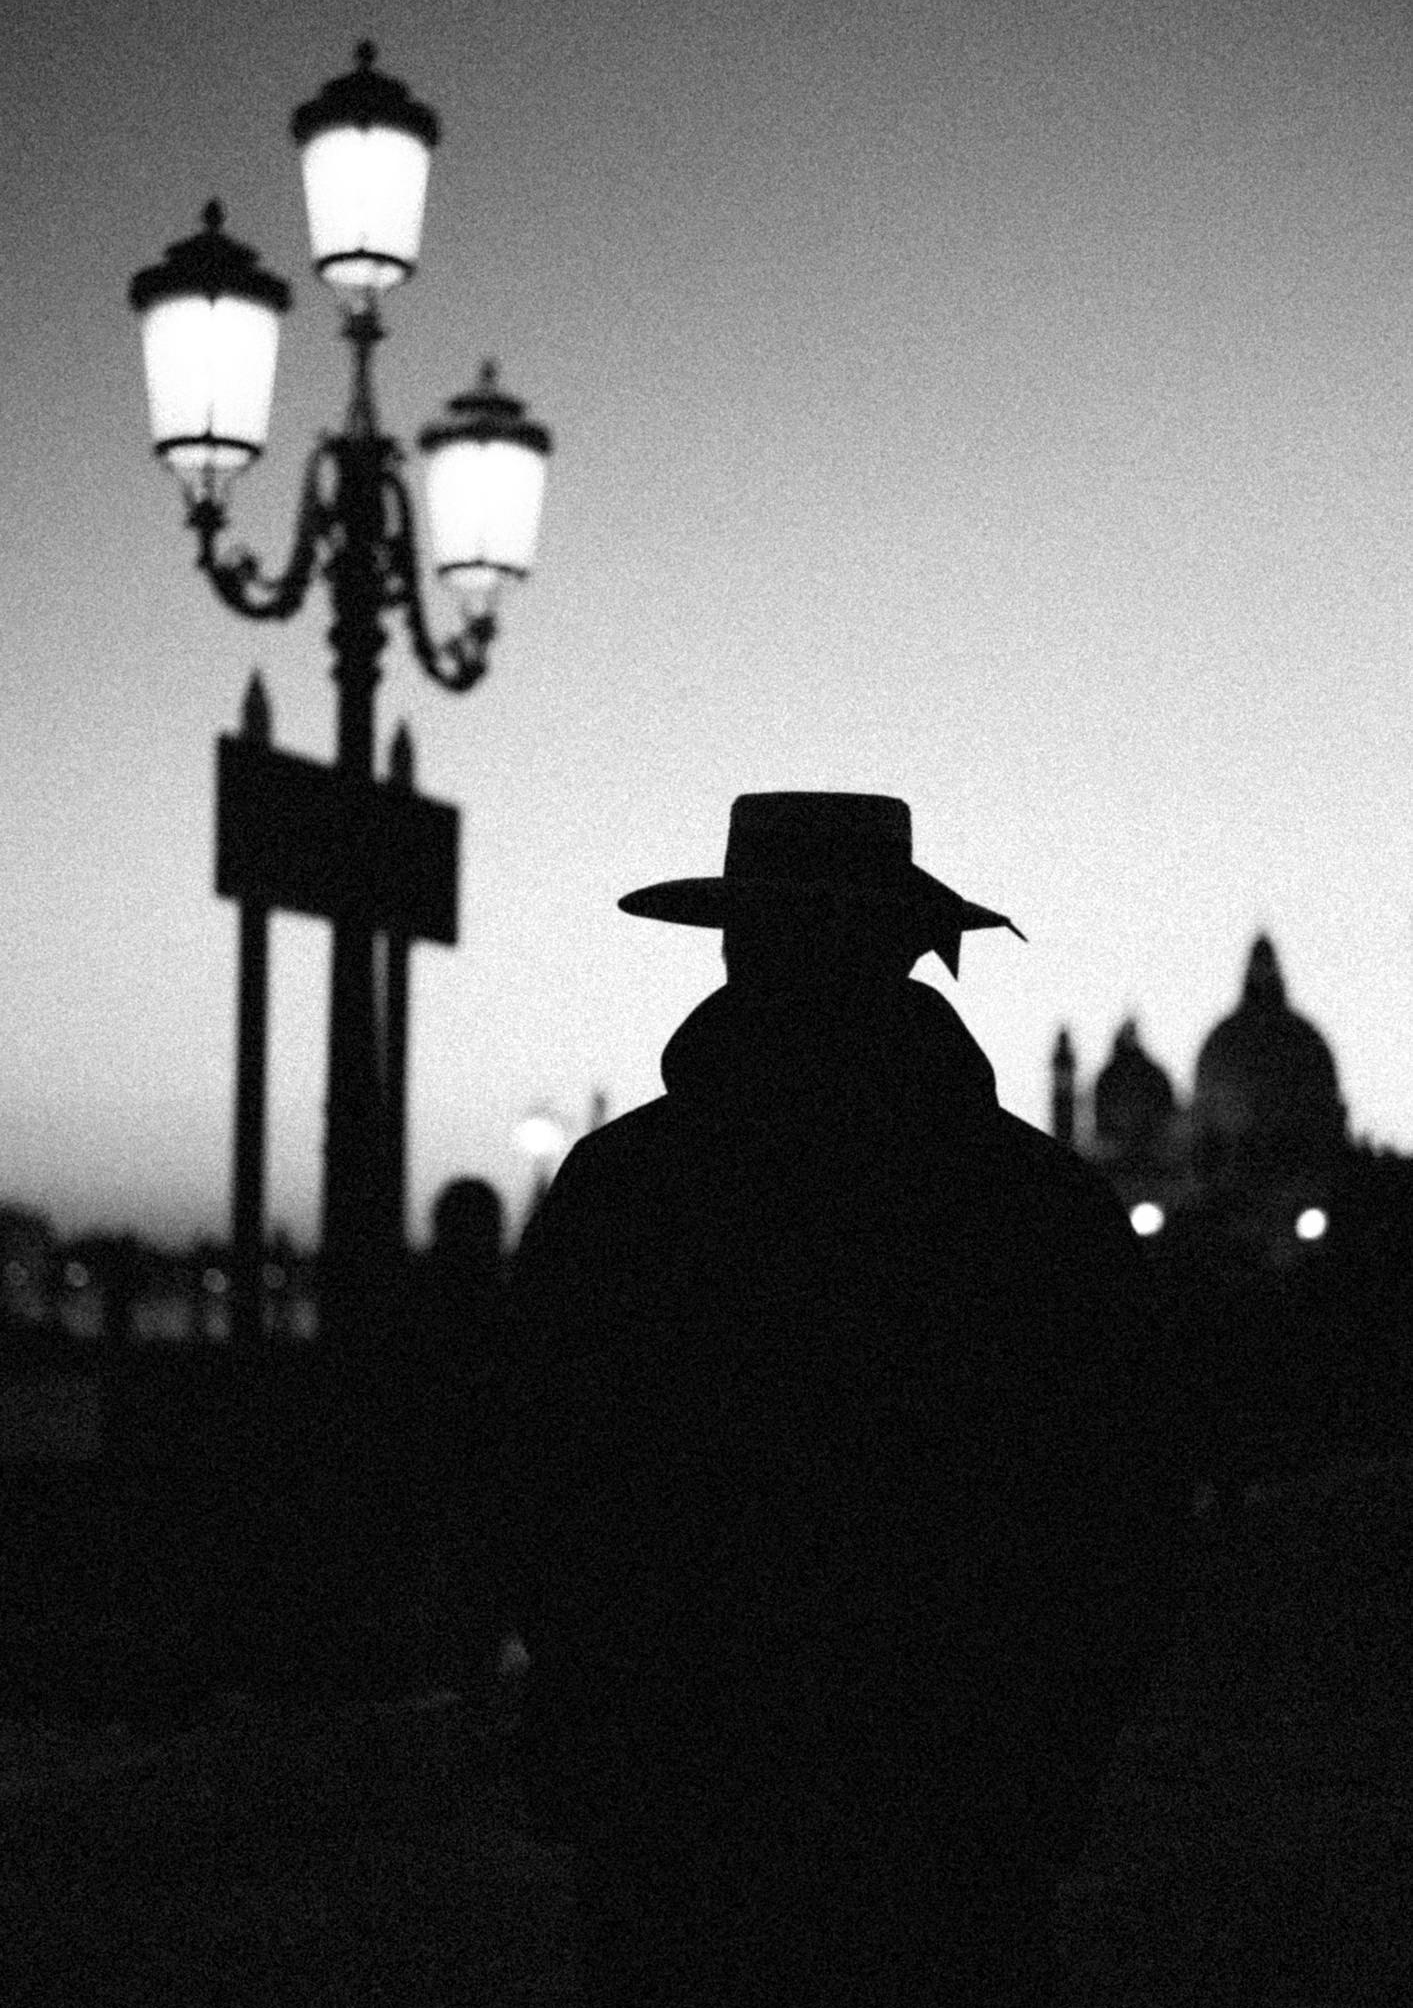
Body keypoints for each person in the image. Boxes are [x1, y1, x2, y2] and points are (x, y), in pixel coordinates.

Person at [486, 793, 1199, 2006]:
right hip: (958, 1806)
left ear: (731, 947)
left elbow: (528, 1484)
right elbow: (1125, 1514)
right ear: (912, 952)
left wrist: (603, 1712)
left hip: (681, 1806)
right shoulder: (1040, 1202)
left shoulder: (627, 1189)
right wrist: (1048, 1762)